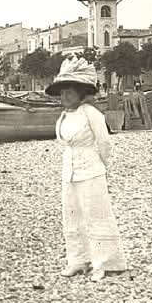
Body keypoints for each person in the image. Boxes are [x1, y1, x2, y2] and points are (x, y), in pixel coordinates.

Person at [45, 56, 128, 280]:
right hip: (69, 172)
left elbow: (104, 143)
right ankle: (77, 261)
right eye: (62, 93)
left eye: (70, 92)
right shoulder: (63, 116)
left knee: (96, 215)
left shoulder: (91, 113)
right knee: (71, 215)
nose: (65, 97)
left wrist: (100, 166)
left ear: (81, 93)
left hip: (91, 170)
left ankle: (105, 263)